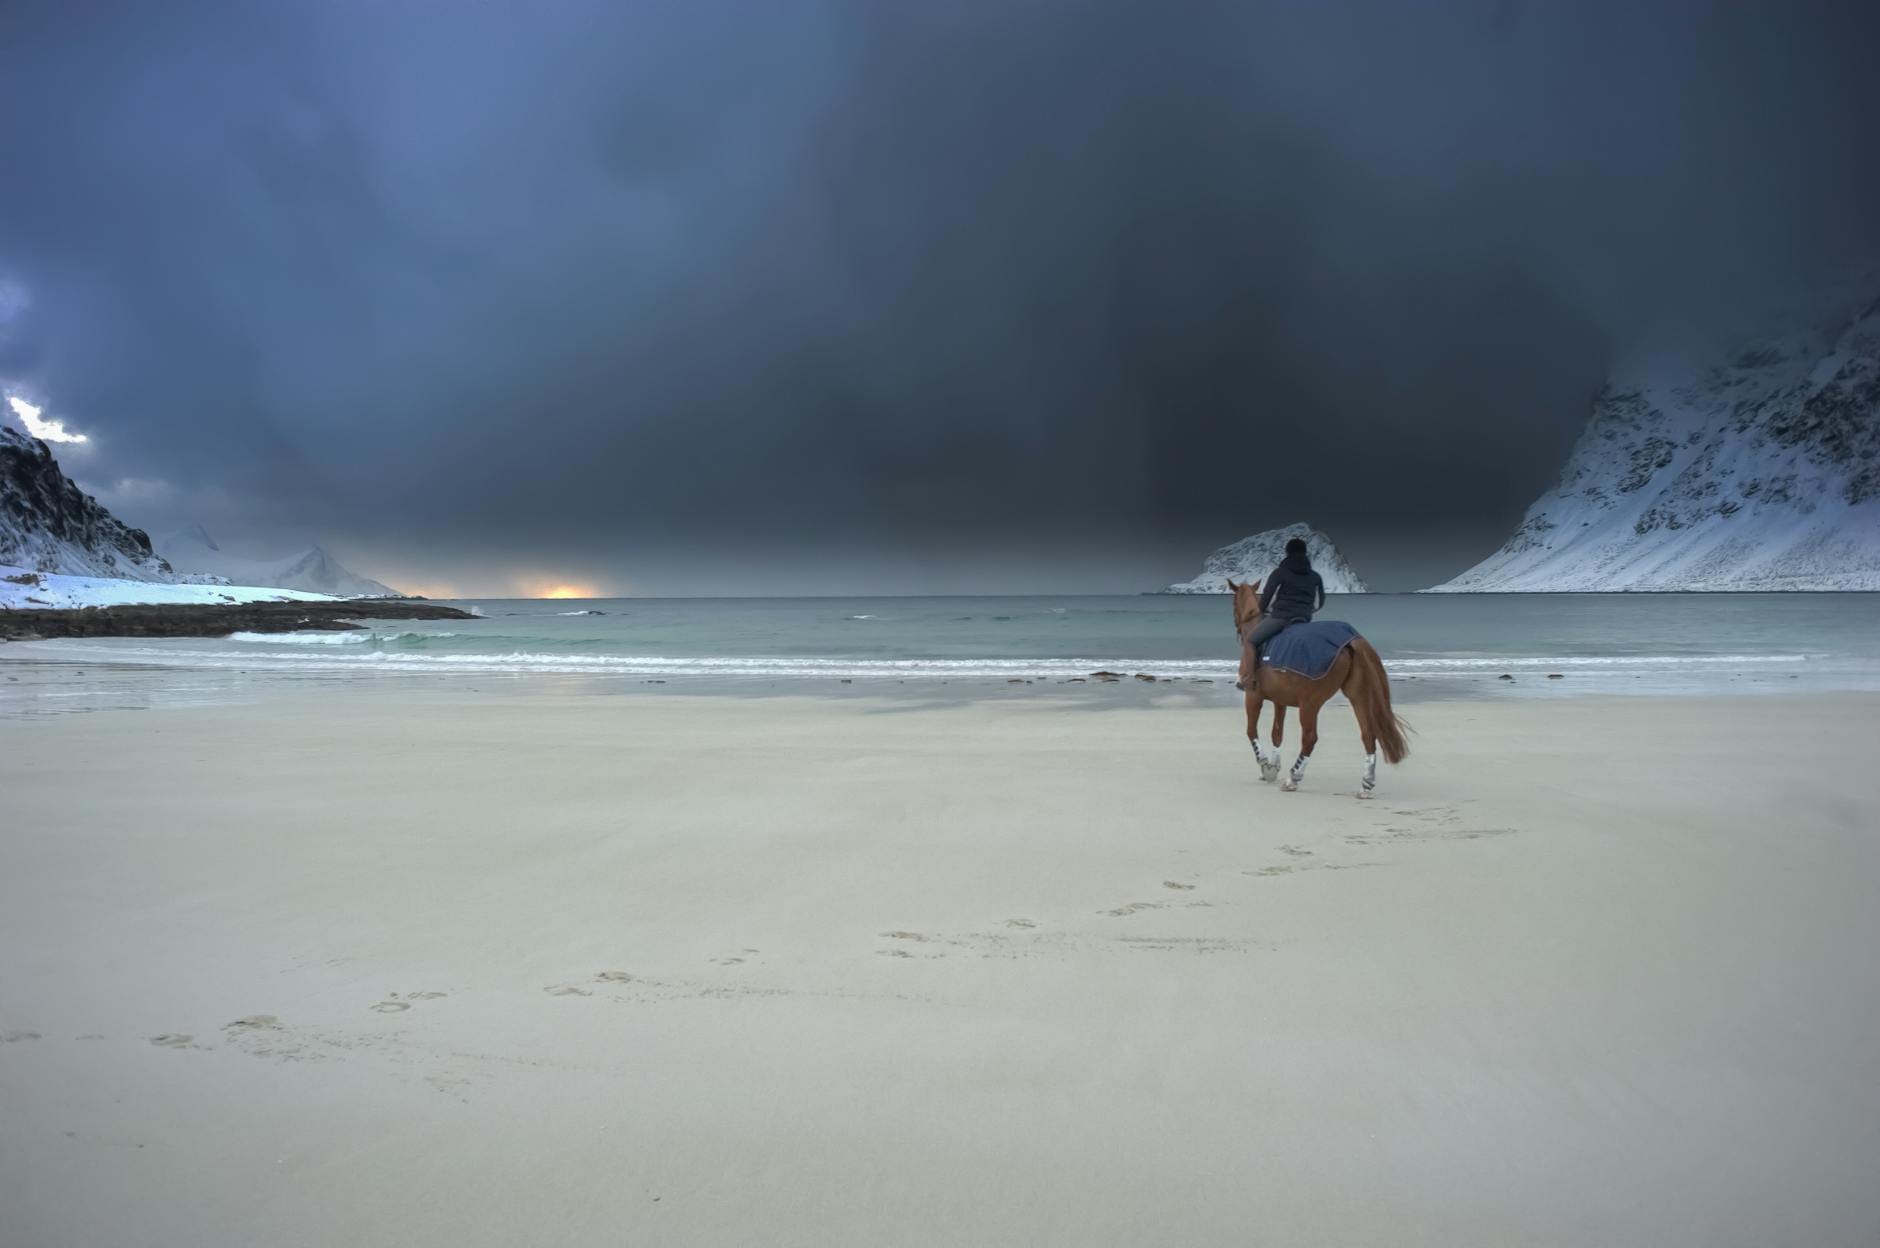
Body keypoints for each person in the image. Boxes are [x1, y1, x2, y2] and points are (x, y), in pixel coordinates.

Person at [1239, 537, 1325, 688]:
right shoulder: (1315, 576)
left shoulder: (1280, 573)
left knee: (1250, 641)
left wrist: (1263, 609)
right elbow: (1321, 601)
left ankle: (1250, 679)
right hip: (1304, 617)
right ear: (1305, 553)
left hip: (1281, 617)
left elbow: (1266, 596)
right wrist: (1309, 610)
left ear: (1287, 553)